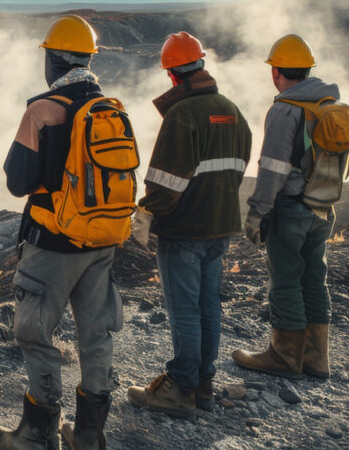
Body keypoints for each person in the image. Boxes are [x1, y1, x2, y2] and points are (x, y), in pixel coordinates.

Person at [0, 15, 124, 450]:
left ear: (52, 59)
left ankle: (37, 433)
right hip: (103, 241)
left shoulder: (42, 110)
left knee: (35, 332)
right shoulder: (110, 110)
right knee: (95, 333)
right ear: (88, 58)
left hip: (54, 243)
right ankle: (89, 435)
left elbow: (17, 182)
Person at [126, 32, 252, 419]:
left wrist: (145, 212)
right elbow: (239, 166)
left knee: (184, 310)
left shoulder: (182, 115)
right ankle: (204, 385)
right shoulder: (230, 109)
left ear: (171, 75)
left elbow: (165, 181)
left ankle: (180, 389)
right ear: (201, 65)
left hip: (184, 231)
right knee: (207, 306)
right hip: (221, 225)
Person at [233, 34, 346, 380]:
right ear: (308, 69)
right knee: (315, 279)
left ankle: (284, 356)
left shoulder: (285, 109)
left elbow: (273, 168)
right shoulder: (329, 105)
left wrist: (257, 212)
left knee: (285, 281)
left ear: (276, 73)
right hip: (322, 208)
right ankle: (315, 359)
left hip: (292, 209)